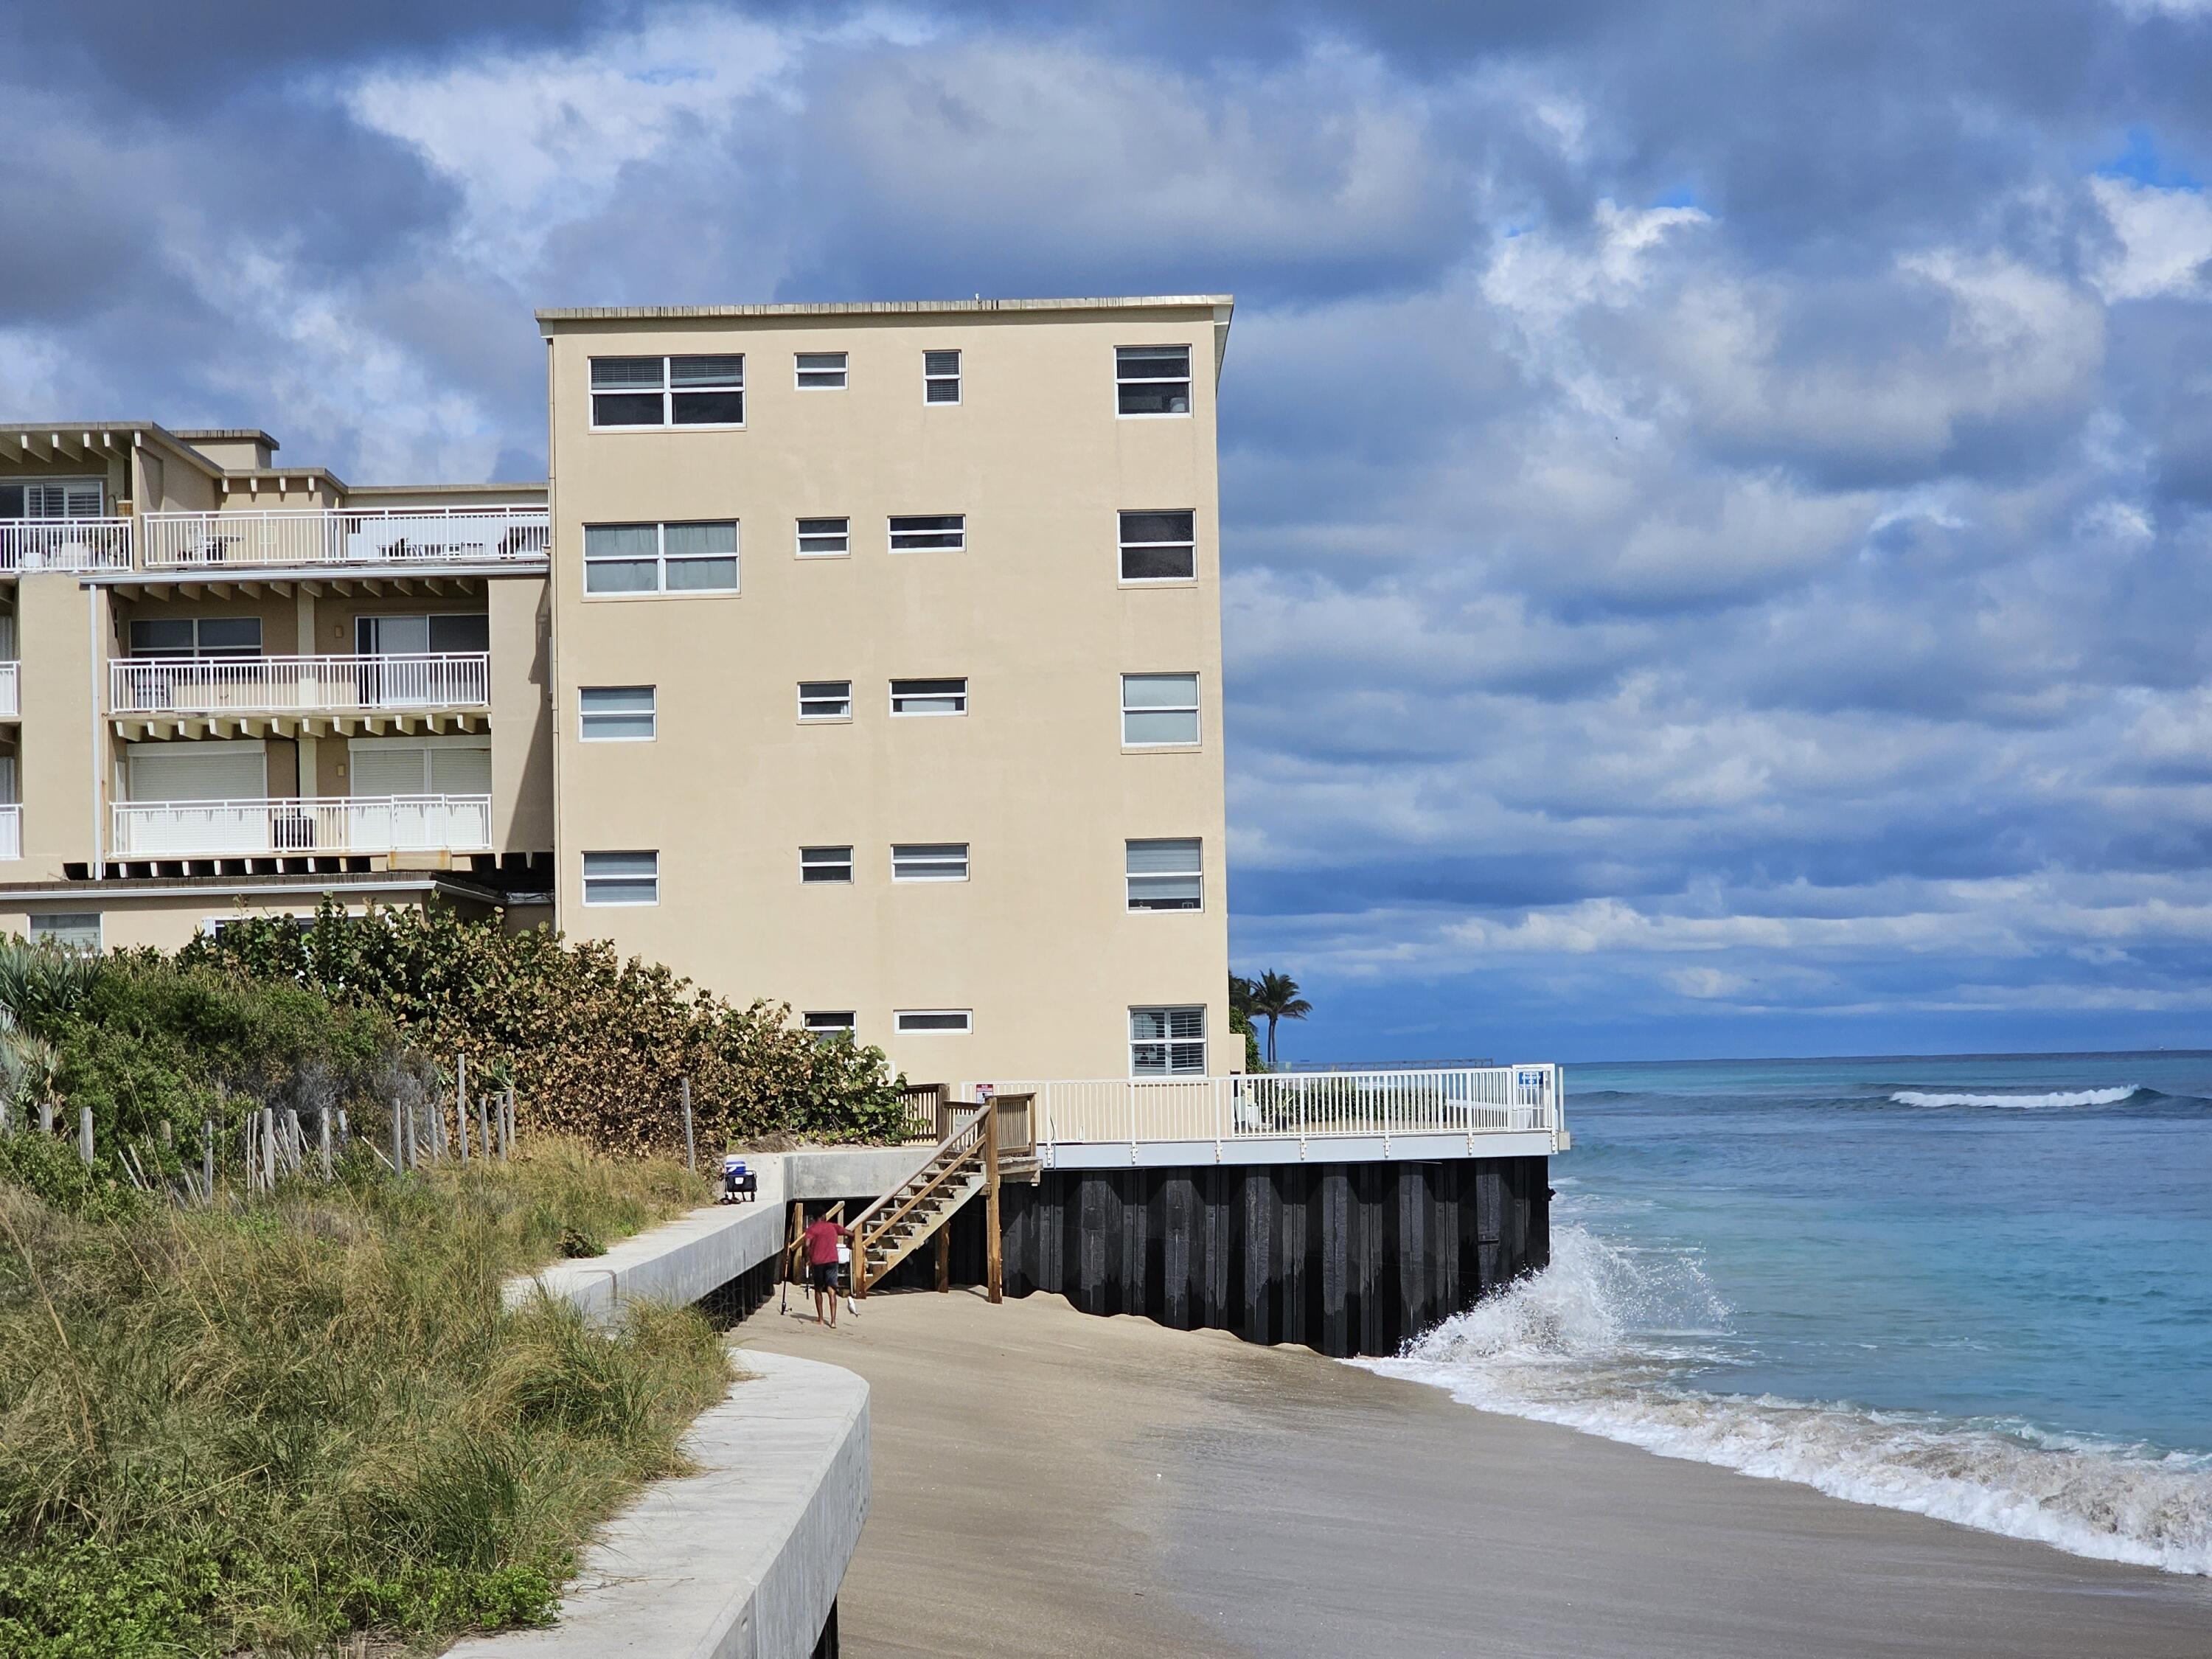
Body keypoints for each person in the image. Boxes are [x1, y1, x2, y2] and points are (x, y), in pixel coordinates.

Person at [801, 1209, 846, 1327]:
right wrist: (852, 1242)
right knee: (832, 1290)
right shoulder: (832, 1226)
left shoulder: (811, 1229)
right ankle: (833, 1321)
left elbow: (806, 1244)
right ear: (823, 1216)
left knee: (818, 1289)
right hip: (832, 1260)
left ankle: (821, 1319)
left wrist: (807, 1257)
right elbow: (848, 1232)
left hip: (818, 1262)